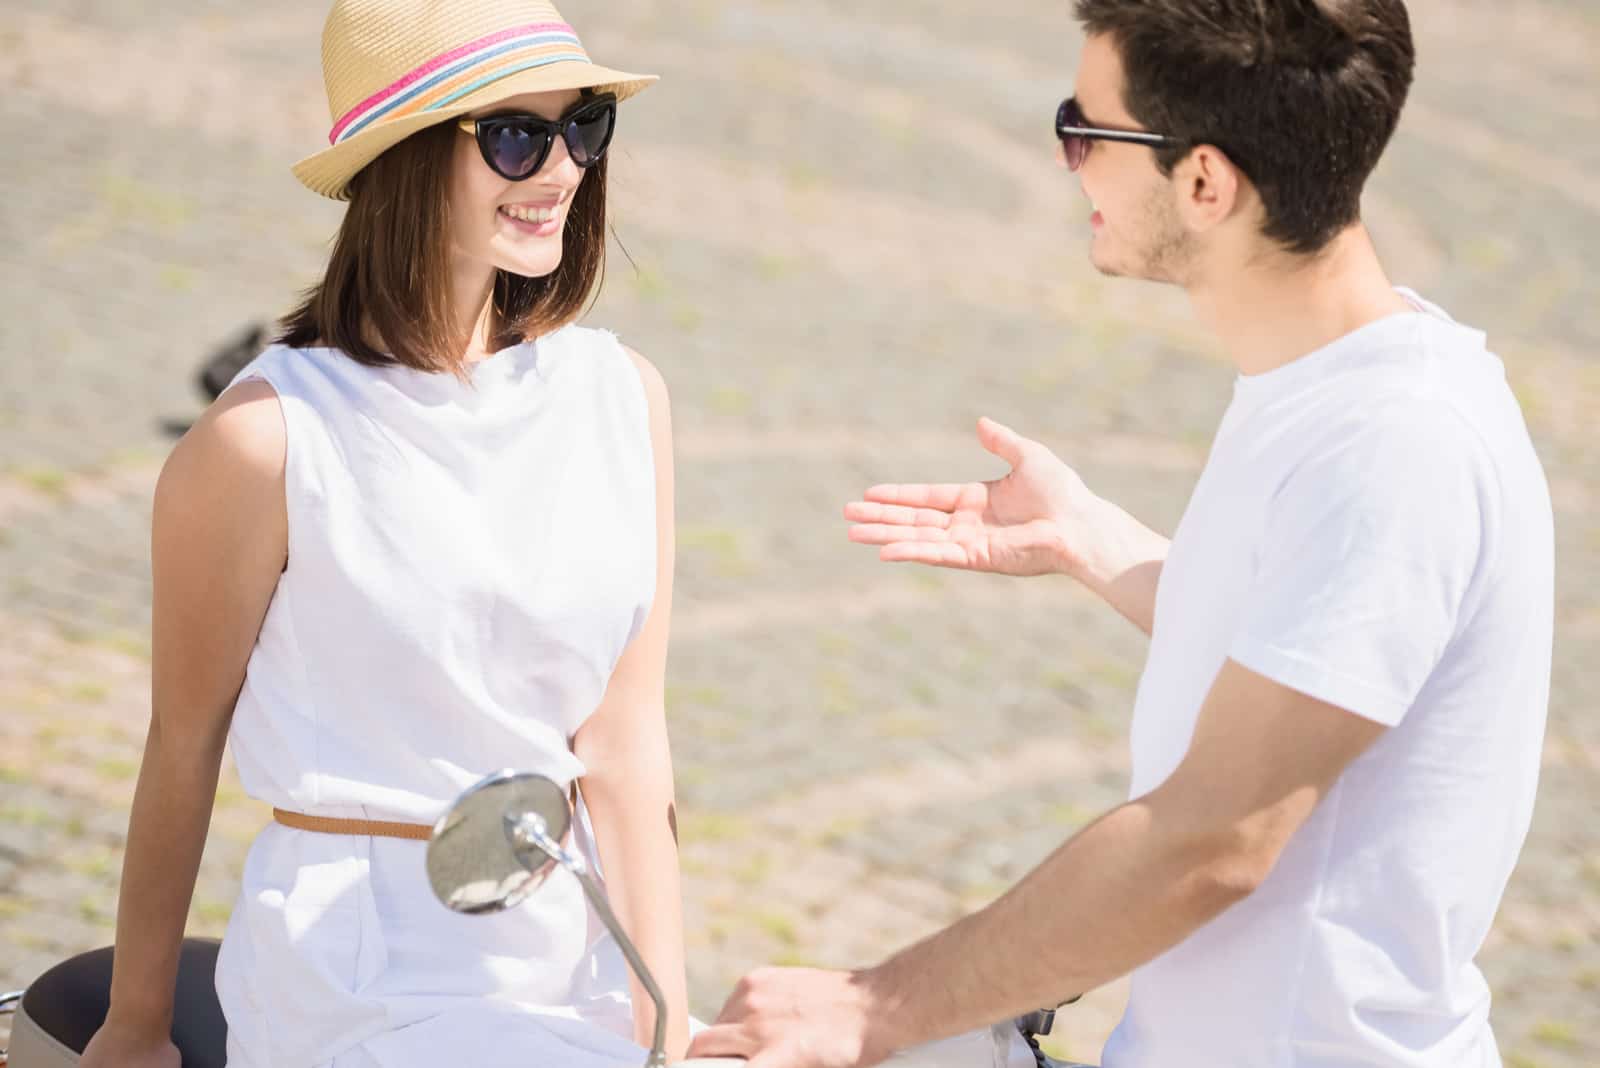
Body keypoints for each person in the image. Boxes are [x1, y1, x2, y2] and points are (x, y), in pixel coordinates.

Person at [688, 1, 1554, 1066]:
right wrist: (1094, 540)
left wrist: (872, 1007)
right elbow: (1302, 646)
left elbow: (1212, 841)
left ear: (1203, 183)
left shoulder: (1393, 443)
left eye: (1083, 128)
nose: (1068, 161)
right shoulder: (1344, 381)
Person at [79, 2, 688, 1066]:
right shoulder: (267, 441)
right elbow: (183, 743)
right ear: (406, 156)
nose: (561, 170)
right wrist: (133, 1028)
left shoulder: (622, 397)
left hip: (576, 947)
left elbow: (627, 746)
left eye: (582, 126)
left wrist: (668, 1024)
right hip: (356, 964)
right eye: (514, 134)